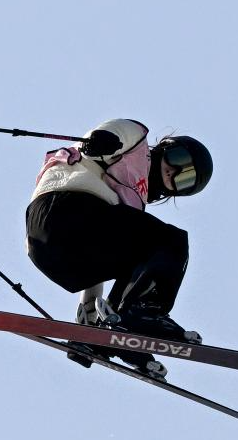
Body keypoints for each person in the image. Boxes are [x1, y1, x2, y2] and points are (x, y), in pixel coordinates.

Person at [24, 119, 213, 379]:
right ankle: (145, 311)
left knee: (141, 260)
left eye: (185, 179)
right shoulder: (137, 143)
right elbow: (115, 133)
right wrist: (104, 140)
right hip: (66, 208)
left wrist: (88, 326)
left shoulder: (128, 204)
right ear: (164, 148)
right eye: (178, 159)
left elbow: (99, 264)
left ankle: (113, 334)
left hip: (50, 250)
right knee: (171, 241)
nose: (174, 173)